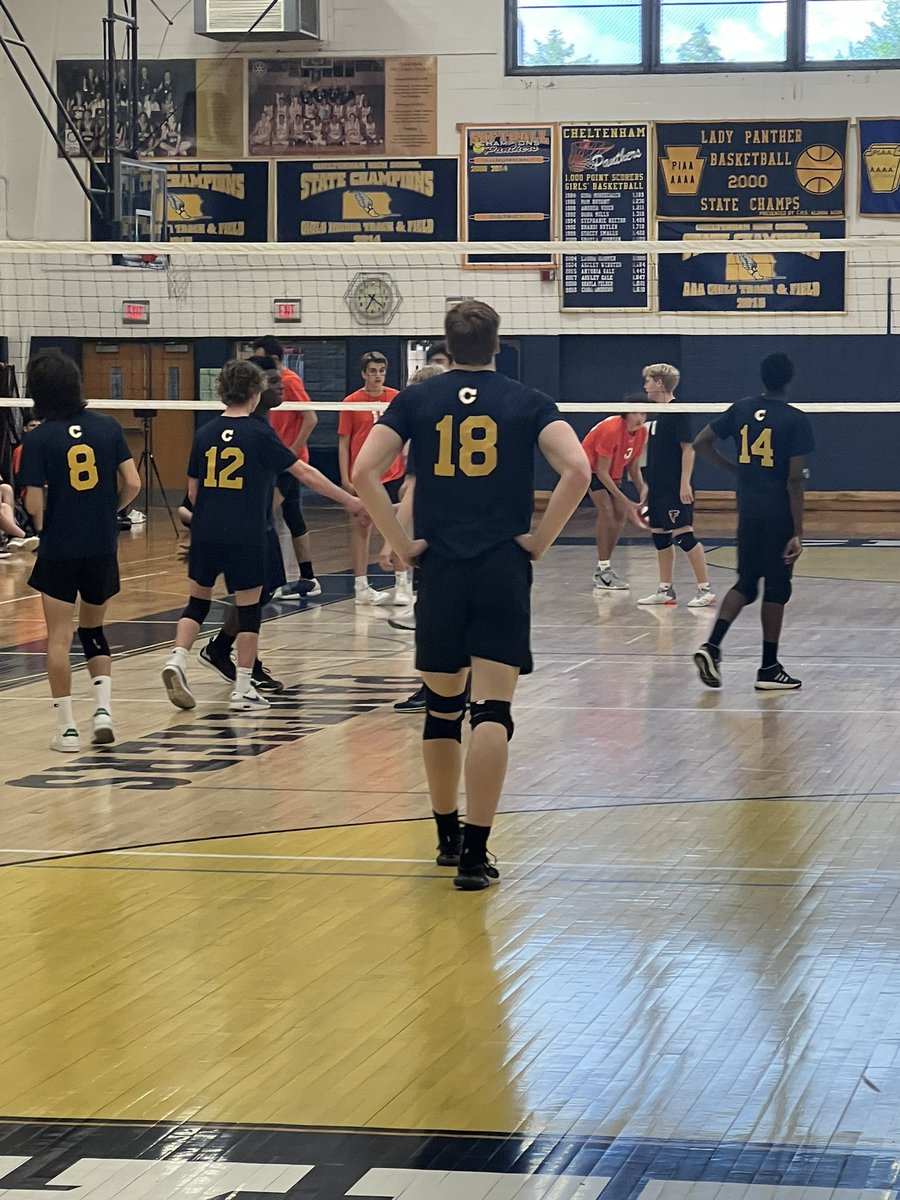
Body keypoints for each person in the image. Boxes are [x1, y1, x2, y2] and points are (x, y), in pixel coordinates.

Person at [352, 301, 590, 891]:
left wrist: (400, 543)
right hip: (502, 568)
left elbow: (363, 472)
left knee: (441, 709)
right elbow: (579, 470)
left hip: (440, 568)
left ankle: (444, 835)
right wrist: (540, 539)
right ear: (498, 344)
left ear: (447, 345)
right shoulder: (527, 401)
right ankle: (474, 856)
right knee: (493, 712)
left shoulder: (417, 399)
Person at [162, 360, 367, 713]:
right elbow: (303, 471)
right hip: (246, 532)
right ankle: (243, 687)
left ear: (221, 391)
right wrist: (350, 500)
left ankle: (177, 659)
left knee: (197, 602)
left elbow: (192, 494)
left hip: (207, 531)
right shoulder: (259, 434)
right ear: (256, 394)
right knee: (249, 607)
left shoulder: (205, 433)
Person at [18, 350, 140, 751]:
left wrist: (44, 525)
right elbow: (133, 483)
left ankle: (67, 729)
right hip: (101, 545)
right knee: (93, 629)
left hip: (59, 547)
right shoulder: (107, 427)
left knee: (58, 636)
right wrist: (109, 512)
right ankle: (102, 711)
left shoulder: (37, 439)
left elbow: (34, 503)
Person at [692, 353, 814, 691]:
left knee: (746, 584)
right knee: (776, 589)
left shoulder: (742, 408)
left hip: (748, 511)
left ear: (762, 378)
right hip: (778, 515)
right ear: (789, 380)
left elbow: (702, 442)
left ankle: (711, 646)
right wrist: (798, 532)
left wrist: (735, 471)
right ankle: (768, 668)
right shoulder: (795, 420)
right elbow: (794, 480)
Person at [196, 357, 292, 694]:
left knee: (262, 593)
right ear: (255, 388)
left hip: (257, 523)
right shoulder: (250, 429)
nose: (279, 387)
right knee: (254, 595)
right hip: (242, 529)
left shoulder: (261, 426)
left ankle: (223, 649)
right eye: (272, 382)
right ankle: (238, 664)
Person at [392, 342, 455, 713]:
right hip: (464, 535)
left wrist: (394, 540)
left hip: (436, 541)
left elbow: (414, 488)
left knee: (434, 621)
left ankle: (433, 689)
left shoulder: (430, 439)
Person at [638, 363, 715, 608]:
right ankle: (665, 589)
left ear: (660, 383)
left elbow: (687, 449)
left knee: (683, 536)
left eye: (649, 381)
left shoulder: (678, 412)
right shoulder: (658, 415)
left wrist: (684, 484)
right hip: (658, 487)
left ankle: (705, 589)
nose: (645, 386)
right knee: (660, 537)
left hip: (674, 488)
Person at [338, 351, 410, 607]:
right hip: (364, 476)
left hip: (392, 473)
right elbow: (344, 442)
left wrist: (406, 464)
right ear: (363, 374)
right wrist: (346, 478)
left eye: (381, 371)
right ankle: (361, 587)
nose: (377, 376)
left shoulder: (396, 398)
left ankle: (402, 583)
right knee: (361, 528)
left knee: (398, 527)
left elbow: (405, 437)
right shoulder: (351, 402)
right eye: (372, 371)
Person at [251, 336, 320, 599]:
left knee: (265, 513)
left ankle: (271, 578)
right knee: (292, 517)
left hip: (289, 462)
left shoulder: (288, 381)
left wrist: (290, 453)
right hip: (276, 460)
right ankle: (308, 578)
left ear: (275, 360)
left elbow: (311, 418)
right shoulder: (263, 388)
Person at [582, 399, 648, 590]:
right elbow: (601, 472)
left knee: (619, 516)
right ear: (626, 414)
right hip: (589, 469)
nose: (641, 418)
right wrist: (627, 501)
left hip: (613, 472)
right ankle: (603, 570)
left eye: (644, 414)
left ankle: (604, 568)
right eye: (637, 413)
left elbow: (634, 469)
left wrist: (643, 491)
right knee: (607, 511)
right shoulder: (611, 430)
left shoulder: (641, 433)